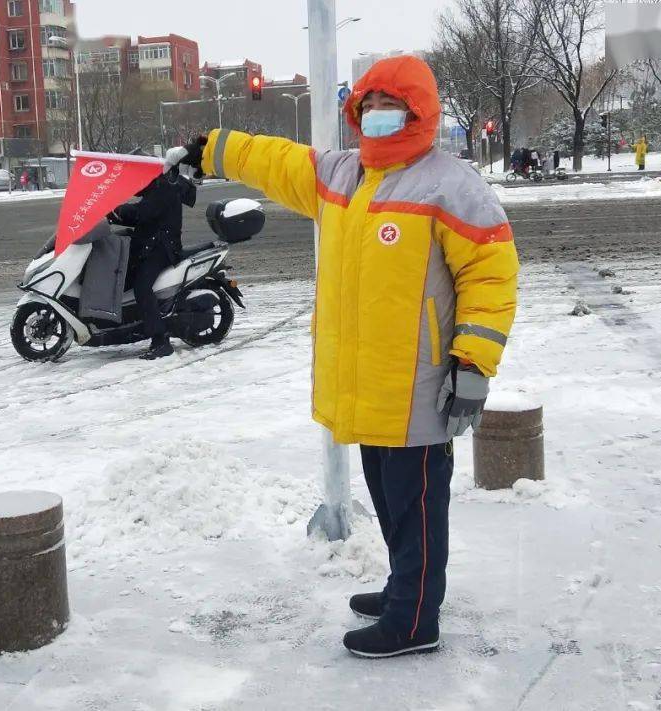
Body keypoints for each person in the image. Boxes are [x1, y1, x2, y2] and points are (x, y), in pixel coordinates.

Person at [182, 55, 518, 658]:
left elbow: (490, 280)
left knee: (416, 510)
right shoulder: (345, 174)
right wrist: (213, 148)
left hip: (420, 387)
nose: (376, 116)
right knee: (390, 503)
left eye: (389, 106)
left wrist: (473, 366)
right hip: (363, 385)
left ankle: (415, 621)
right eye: (367, 106)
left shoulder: (452, 184)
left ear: (417, 112)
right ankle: (401, 593)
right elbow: (278, 161)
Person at [107, 148, 197, 360]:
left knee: (141, 287)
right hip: (150, 244)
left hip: (162, 248)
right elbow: (142, 215)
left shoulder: (163, 187)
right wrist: (111, 213)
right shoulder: (157, 185)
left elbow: (142, 213)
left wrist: (115, 211)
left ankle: (160, 340)